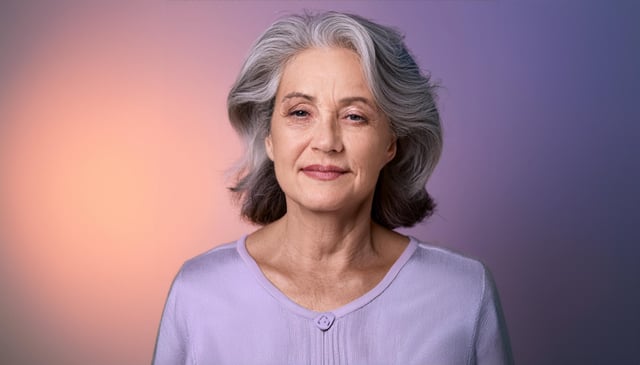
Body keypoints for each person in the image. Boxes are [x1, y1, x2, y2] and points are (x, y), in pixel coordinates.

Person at [153, 11, 513, 365]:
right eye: (300, 113)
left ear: (391, 142)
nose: (326, 141)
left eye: (354, 116)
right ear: (269, 138)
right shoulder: (198, 292)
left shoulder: (463, 292)